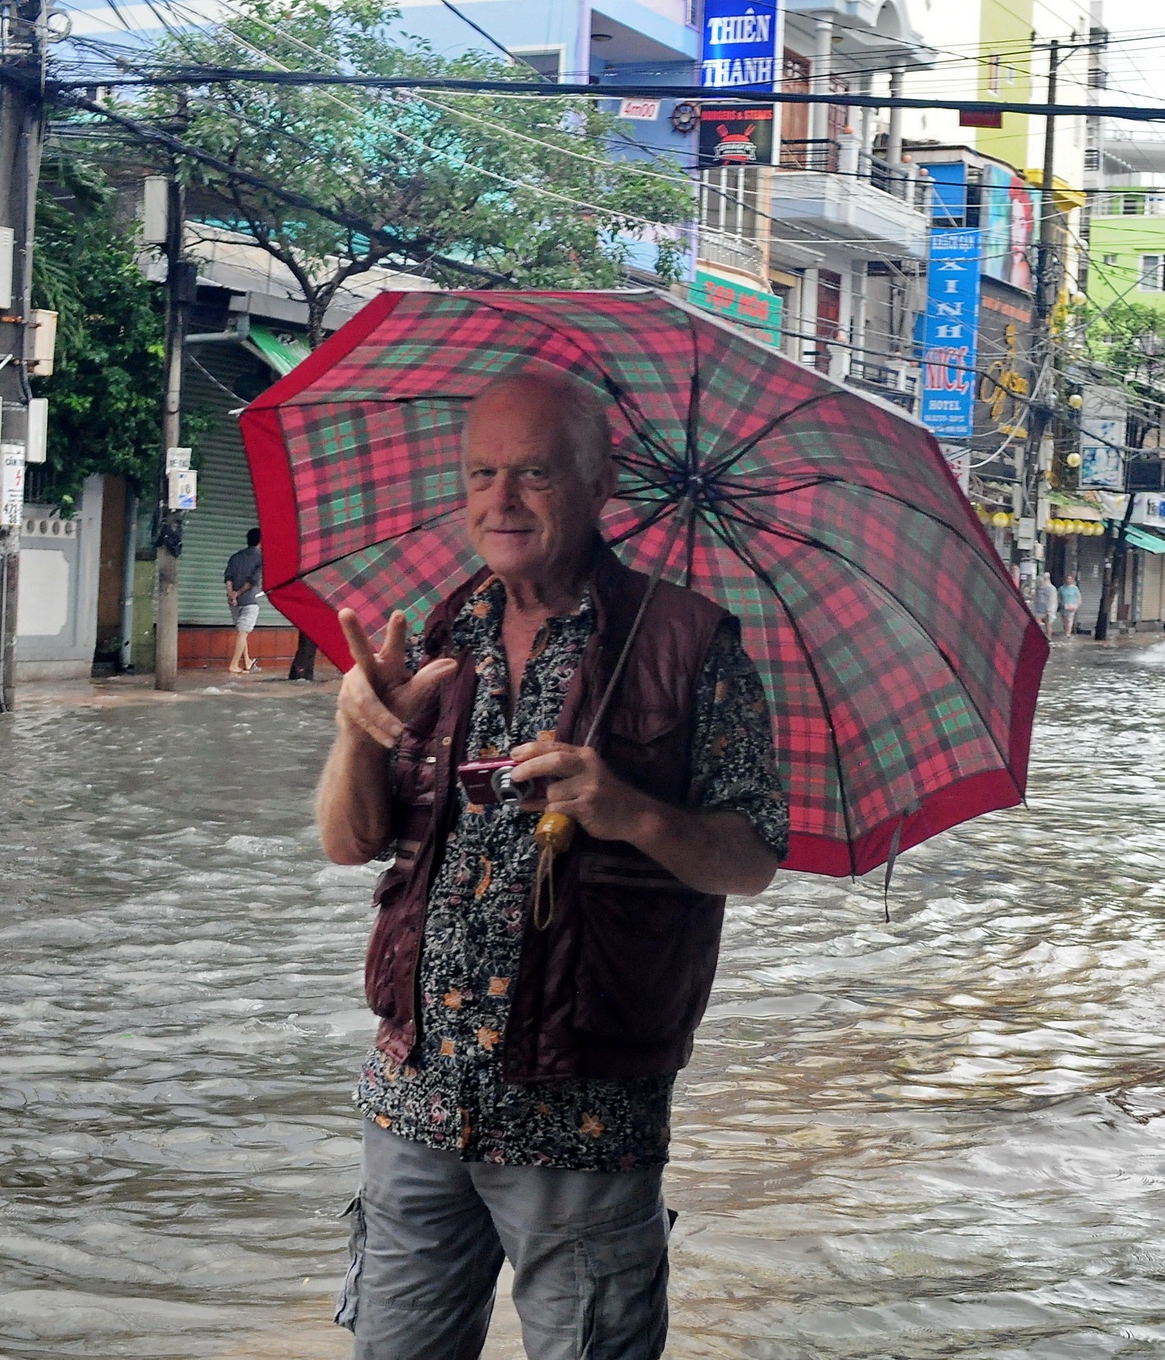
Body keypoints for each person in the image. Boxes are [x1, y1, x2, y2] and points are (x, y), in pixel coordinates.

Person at [313, 371, 787, 1359]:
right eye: (483, 472)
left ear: (600, 480)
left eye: (534, 472)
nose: (502, 500)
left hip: (585, 1117)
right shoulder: (439, 636)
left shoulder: (688, 643)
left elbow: (750, 854)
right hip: (415, 1103)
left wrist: (629, 811)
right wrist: (357, 729)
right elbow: (349, 840)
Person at [223, 528, 264, 674]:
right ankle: (234, 664)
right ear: (261, 541)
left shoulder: (236, 556)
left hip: (233, 601)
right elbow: (252, 581)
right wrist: (239, 593)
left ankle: (247, 661)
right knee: (243, 632)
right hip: (250, 600)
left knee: (242, 631)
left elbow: (228, 577)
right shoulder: (261, 559)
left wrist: (232, 594)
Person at [1032, 573, 1059, 638]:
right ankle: (1037, 637)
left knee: (1048, 624)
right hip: (1039, 608)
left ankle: (1049, 637)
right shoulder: (1039, 588)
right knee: (1037, 624)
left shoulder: (1051, 588)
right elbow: (1036, 598)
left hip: (1047, 609)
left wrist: (1050, 610)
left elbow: (1052, 599)